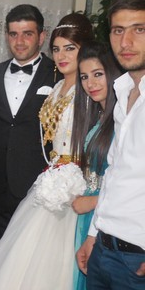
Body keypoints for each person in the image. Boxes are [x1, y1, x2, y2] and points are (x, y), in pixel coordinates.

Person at [0, 13, 94, 290]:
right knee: (8, 263)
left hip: (59, 184)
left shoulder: (75, 81)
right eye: (58, 49)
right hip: (12, 183)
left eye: (27, 33)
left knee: (50, 266)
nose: (62, 55)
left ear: (40, 36)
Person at [76, 0, 145, 289]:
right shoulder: (123, 92)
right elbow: (114, 174)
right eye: (118, 30)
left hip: (136, 259)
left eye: (139, 29)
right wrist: (93, 235)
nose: (125, 42)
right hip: (103, 248)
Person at [0, 4, 57, 254]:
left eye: (27, 34)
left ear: (42, 37)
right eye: (13, 34)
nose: (20, 41)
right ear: (6, 36)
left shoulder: (57, 75)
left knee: (29, 257)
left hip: (37, 185)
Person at [69, 41, 121, 290]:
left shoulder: (122, 118)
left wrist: (94, 201)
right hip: (87, 214)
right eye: (84, 77)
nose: (91, 83)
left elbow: (130, 181)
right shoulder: (98, 117)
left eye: (98, 74)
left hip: (107, 214)